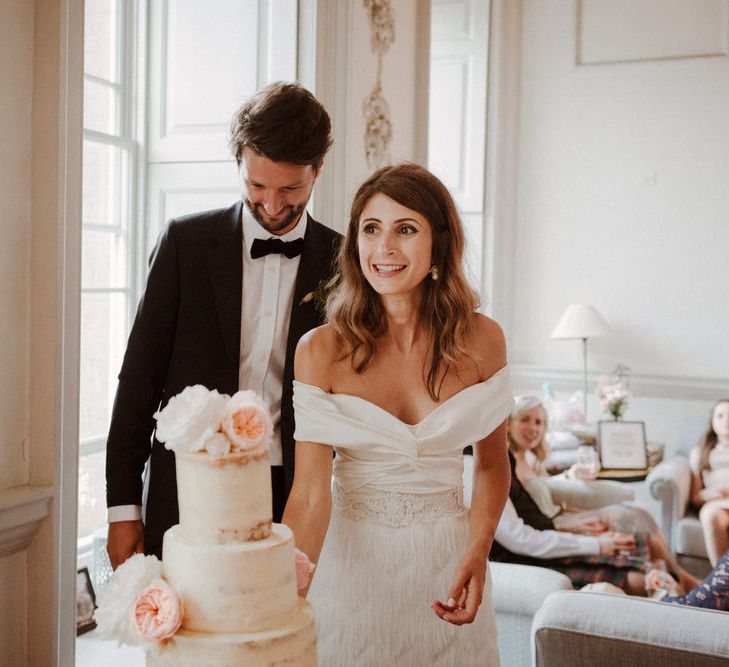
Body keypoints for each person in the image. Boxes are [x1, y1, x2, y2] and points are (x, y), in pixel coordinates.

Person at [282, 163, 512, 665]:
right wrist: (282, 596)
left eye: (405, 229)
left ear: (439, 244)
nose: (384, 248)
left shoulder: (483, 342)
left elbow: (493, 464)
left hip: (450, 565)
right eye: (371, 229)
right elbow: (310, 492)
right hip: (350, 573)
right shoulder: (320, 350)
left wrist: (477, 555)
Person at [105, 82, 341, 567]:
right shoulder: (185, 244)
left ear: (318, 169)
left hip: (295, 493)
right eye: (257, 186)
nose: (273, 205)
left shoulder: (344, 262)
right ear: (238, 164)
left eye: (291, 189)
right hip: (190, 485)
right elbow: (139, 379)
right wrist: (123, 506)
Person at [491, 450, 698, 594]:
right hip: (525, 560)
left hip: (543, 539)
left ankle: (697, 591)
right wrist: (597, 544)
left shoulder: (501, 454)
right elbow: (521, 540)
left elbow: (527, 516)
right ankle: (686, 604)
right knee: (638, 579)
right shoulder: (479, 464)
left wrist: (565, 527)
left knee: (645, 542)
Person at [689, 399, 729, 565]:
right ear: (712, 422)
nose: (726, 420)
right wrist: (708, 494)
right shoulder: (700, 452)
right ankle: (722, 582)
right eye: (720, 416)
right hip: (718, 504)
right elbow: (695, 497)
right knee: (709, 515)